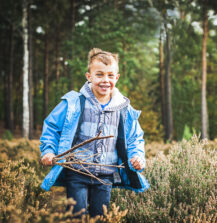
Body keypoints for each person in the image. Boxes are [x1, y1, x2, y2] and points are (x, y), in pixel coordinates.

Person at [40, 48, 149, 217]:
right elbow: (52, 127)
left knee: (99, 217)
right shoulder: (74, 103)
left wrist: (137, 157)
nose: (105, 80)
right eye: (99, 75)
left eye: (110, 75)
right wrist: (48, 150)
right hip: (77, 171)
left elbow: (135, 138)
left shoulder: (124, 109)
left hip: (105, 175)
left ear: (117, 77)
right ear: (89, 76)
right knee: (77, 216)